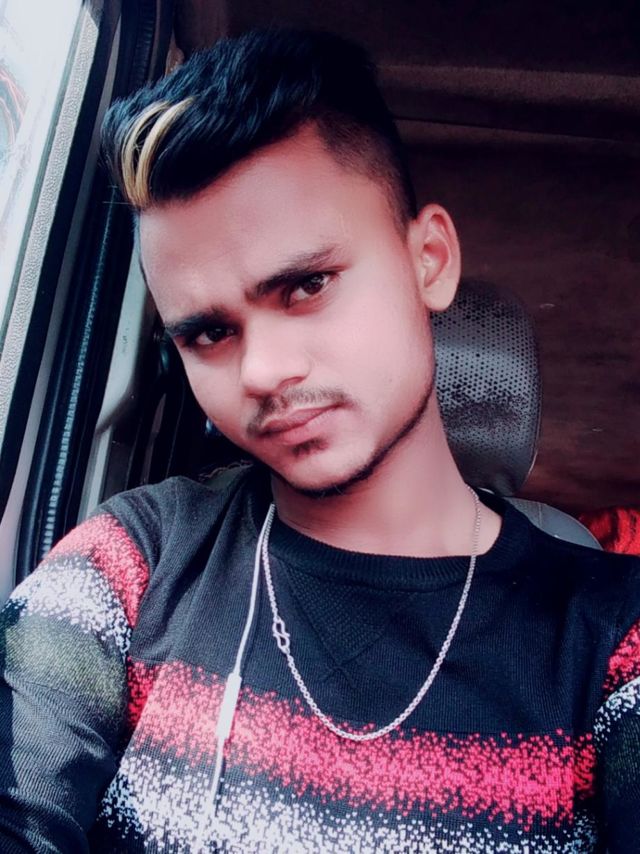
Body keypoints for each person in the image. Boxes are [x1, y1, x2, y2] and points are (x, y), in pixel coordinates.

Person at [0, 28, 639, 854]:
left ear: (430, 260)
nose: (262, 372)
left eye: (307, 285)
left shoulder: (610, 637)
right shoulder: (132, 563)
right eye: (208, 333)